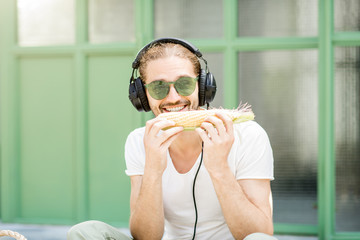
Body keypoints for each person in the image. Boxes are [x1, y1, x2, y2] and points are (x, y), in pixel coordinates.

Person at [67, 38, 277, 240]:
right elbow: (145, 237)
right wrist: (153, 169)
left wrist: (220, 169)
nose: (173, 97)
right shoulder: (139, 141)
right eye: (159, 87)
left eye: (184, 84)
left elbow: (259, 232)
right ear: (141, 95)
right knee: (85, 232)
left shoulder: (248, 135)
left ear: (203, 87)